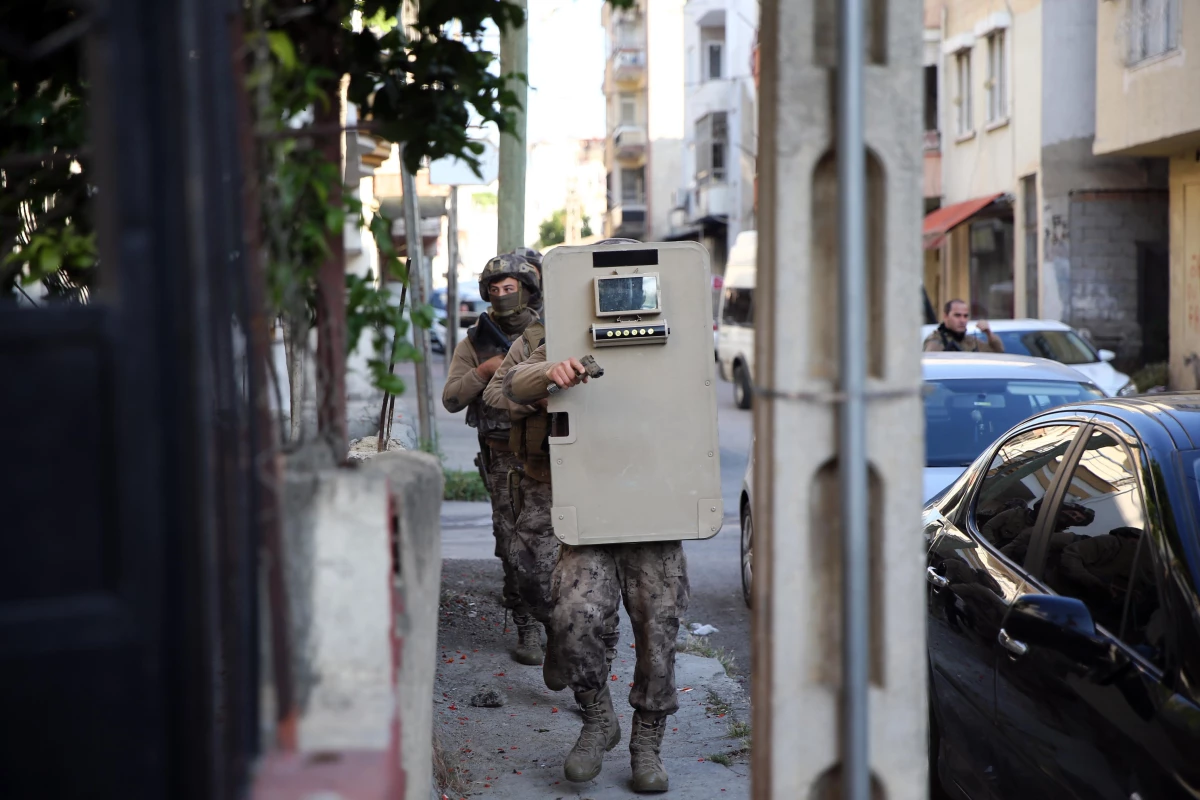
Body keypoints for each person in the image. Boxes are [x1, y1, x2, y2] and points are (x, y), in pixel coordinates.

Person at [499, 240, 687, 793]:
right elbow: (505, 387)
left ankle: (646, 740)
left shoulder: (683, 327)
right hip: (588, 507)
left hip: (656, 507)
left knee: (660, 629)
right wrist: (550, 374)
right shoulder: (542, 335)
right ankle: (598, 717)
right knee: (573, 620)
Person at [442, 251, 545, 665]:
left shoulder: (548, 333)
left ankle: (558, 622)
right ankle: (526, 626)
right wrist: (484, 372)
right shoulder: (475, 341)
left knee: (552, 543)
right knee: (510, 543)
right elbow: (451, 398)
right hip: (502, 457)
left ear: (528, 290)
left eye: (511, 288)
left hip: (547, 452)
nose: (503, 296)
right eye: (496, 290)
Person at [923, 299, 1004, 353]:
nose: (962, 320)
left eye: (965, 316)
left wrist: (989, 334)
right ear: (945, 316)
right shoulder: (935, 341)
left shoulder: (971, 341)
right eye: (957, 315)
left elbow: (998, 354)